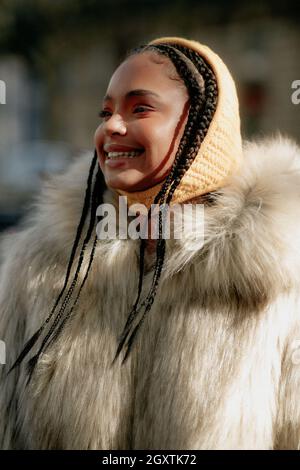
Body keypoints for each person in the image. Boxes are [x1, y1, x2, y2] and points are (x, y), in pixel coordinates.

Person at [1, 36, 300, 450]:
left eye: (140, 108)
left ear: (205, 128)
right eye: (105, 111)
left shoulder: (279, 277)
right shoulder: (41, 265)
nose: (111, 126)